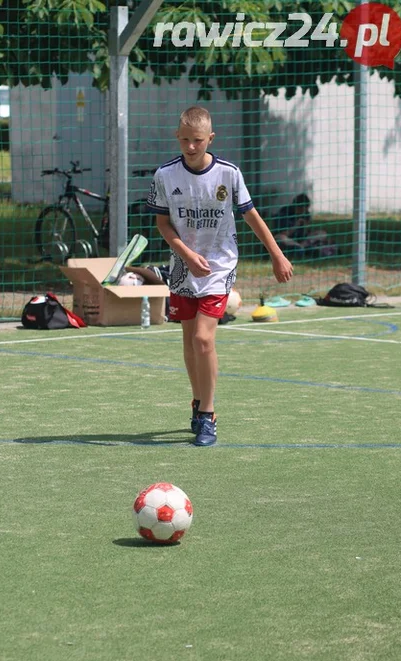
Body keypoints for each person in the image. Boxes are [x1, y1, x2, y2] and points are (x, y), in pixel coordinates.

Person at [146, 106, 293, 447]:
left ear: (210, 138)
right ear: (177, 137)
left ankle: (208, 414)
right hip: (183, 265)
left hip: (220, 265)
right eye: (184, 140)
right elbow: (163, 223)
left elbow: (251, 216)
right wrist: (185, 254)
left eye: (197, 140)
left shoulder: (229, 174)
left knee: (203, 339)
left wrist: (277, 255)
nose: (190, 147)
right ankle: (198, 403)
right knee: (188, 340)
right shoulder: (165, 175)